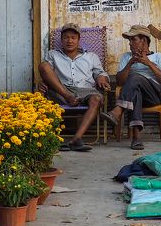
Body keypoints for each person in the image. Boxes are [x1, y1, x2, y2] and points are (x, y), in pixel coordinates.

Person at [38, 23, 111, 152]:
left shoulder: (91, 56)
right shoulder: (53, 54)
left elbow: (100, 73)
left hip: (85, 90)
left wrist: (101, 77)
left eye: (73, 37)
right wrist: (43, 81)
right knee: (43, 65)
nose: (69, 41)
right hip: (61, 90)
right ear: (61, 40)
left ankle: (76, 139)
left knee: (96, 99)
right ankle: (69, 97)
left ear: (78, 40)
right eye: (66, 37)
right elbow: (46, 71)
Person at [99, 24, 161, 150]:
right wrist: (130, 63)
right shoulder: (127, 57)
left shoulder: (159, 57)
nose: (130, 43)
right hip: (132, 96)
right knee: (135, 93)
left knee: (135, 77)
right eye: (129, 40)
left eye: (133, 40)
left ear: (143, 40)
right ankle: (136, 139)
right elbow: (120, 82)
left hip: (154, 95)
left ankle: (118, 110)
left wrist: (149, 64)